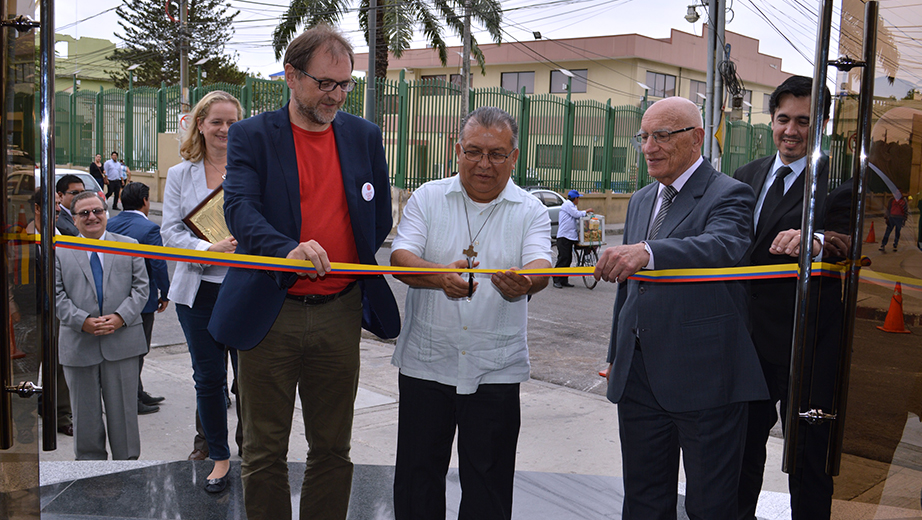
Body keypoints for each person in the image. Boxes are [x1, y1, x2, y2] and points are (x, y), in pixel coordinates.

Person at [207, 24, 399, 520]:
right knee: (264, 451)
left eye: (345, 84)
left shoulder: (364, 136)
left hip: (340, 313)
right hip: (271, 310)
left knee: (333, 448)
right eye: (324, 83)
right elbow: (241, 210)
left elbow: (378, 220)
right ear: (291, 76)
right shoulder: (253, 136)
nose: (336, 95)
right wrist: (285, 250)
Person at [594, 96, 767, 520]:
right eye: (644, 137)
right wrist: (617, 357)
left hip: (706, 378)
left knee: (711, 504)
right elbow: (628, 291)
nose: (650, 147)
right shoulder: (641, 200)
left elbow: (722, 246)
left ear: (697, 138)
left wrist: (648, 251)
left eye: (662, 136)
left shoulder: (729, 194)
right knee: (643, 499)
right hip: (638, 377)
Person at [390, 106, 552, 520]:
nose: (484, 163)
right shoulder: (428, 196)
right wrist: (440, 274)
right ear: (456, 150)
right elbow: (401, 257)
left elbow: (541, 264)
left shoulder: (530, 209)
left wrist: (527, 282)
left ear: (514, 157)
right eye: (474, 151)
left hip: (494, 368)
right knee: (417, 478)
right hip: (428, 363)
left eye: (497, 154)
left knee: (489, 483)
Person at [733, 75, 840, 520]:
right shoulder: (746, 175)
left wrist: (816, 239)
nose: (791, 131)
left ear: (822, 126)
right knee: (740, 452)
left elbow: (850, 241)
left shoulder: (839, 180)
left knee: (808, 459)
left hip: (808, 345)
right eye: (783, 119)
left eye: (803, 121)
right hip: (748, 343)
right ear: (771, 120)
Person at [160, 90, 243, 493]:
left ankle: (254, 453)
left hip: (246, 291)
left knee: (251, 383)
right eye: (216, 121)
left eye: (231, 122)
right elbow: (169, 232)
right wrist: (206, 248)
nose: (224, 129)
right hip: (199, 293)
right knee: (208, 379)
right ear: (200, 124)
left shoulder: (251, 170)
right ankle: (219, 457)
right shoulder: (179, 174)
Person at [54, 191, 149, 460]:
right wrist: (81, 321)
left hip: (122, 342)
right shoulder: (61, 250)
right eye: (84, 213)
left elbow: (142, 289)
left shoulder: (129, 245)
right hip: (78, 342)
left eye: (97, 210)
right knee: (84, 415)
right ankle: (89, 472)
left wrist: (120, 318)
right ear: (73, 219)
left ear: (106, 213)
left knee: (124, 414)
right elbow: (55, 295)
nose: (92, 217)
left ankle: (128, 467)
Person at [106, 182, 170, 416]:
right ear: (145, 201)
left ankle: (137, 390)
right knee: (138, 350)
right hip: (141, 300)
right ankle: (131, 399)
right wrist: (165, 293)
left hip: (113, 299)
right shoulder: (149, 229)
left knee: (124, 349)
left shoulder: (110, 224)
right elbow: (158, 263)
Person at [553, 189, 592, 288]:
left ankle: (564, 280)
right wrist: (586, 211)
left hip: (570, 236)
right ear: (575, 198)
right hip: (564, 236)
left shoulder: (573, 206)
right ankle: (556, 280)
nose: (578, 200)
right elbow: (576, 214)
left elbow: (577, 219)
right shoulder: (567, 204)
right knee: (563, 258)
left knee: (568, 258)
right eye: (578, 198)